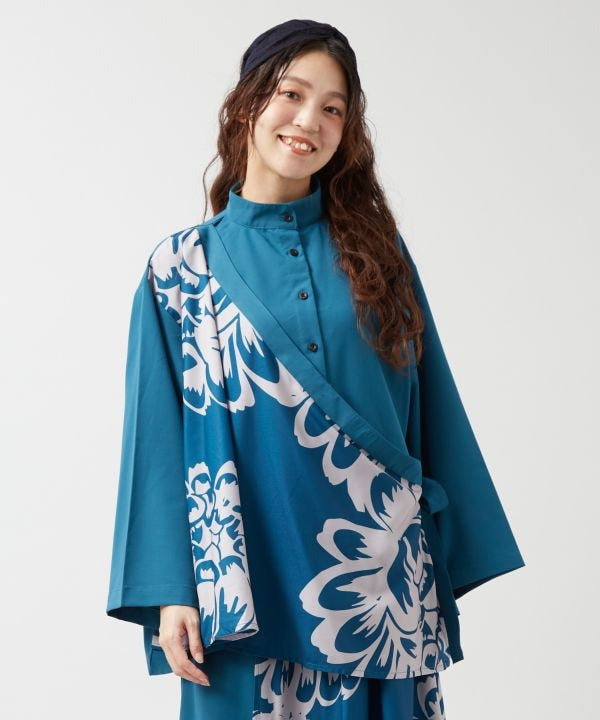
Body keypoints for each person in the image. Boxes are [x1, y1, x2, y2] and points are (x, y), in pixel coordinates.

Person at [106, 18, 525, 720]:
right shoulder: (179, 270)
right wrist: (172, 591)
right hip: (241, 580)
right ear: (247, 102)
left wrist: (443, 551)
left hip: (374, 586)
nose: (310, 121)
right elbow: (156, 440)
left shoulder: (380, 255)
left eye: (333, 108)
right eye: (292, 94)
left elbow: (433, 410)